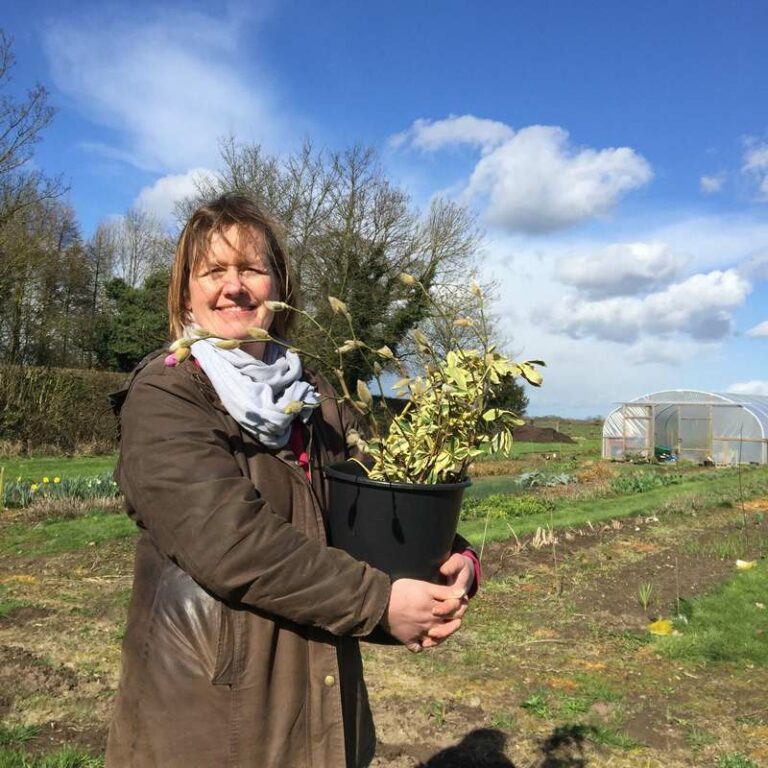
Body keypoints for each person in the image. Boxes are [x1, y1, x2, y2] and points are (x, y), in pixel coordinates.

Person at [105, 193, 478, 768]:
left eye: (251, 268)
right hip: (210, 717)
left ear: (279, 286)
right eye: (213, 271)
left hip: (321, 701)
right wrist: (381, 602)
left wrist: (446, 557)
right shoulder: (168, 393)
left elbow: (375, 504)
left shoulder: (315, 395)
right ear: (184, 292)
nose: (234, 287)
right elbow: (232, 543)